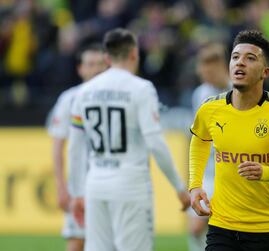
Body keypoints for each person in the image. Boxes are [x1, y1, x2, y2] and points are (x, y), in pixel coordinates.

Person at [189, 29, 269, 251]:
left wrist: (265, 173)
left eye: (250, 58)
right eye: (235, 57)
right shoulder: (210, 108)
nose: (240, 63)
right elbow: (199, 140)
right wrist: (195, 185)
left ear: (265, 72)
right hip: (223, 226)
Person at [68, 28, 190, 251]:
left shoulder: (84, 92)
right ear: (135, 54)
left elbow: (75, 149)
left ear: (106, 58)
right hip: (130, 184)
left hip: (95, 184)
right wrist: (179, 187)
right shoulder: (141, 89)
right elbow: (155, 142)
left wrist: (76, 193)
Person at [47, 44, 107, 251]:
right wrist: (62, 187)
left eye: (100, 63)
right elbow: (58, 146)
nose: (96, 69)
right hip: (80, 186)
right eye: (90, 64)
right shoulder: (68, 99)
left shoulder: (116, 96)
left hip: (109, 182)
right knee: (76, 243)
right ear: (80, 69)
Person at [188, 42, 230, 251]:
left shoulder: (238, 89)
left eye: (209, 71)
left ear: (222, 66)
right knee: (196, 226)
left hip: (232, 167)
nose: (205, 76)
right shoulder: (201, 93)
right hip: (208, 169)